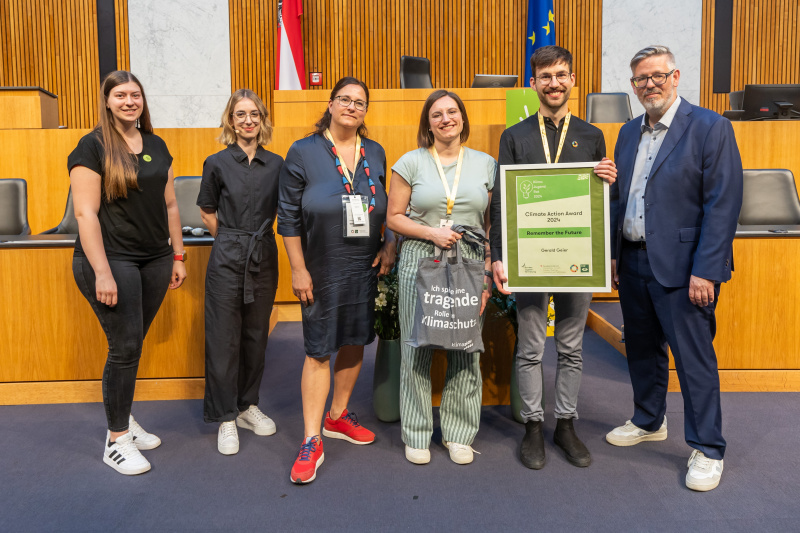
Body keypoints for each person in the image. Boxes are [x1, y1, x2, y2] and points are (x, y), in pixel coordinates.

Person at [606, 45, 743, 492]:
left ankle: (708, 447)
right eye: (641, 79)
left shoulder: (710, 127)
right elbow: (622, 200)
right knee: (642, 349)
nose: (650, 85)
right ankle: (649, 419)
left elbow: (723, 205)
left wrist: (707, 270)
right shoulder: (627, 133)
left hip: (686, 269)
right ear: (633, 85)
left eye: (657, 76)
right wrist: (612, 254)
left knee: (693, 359)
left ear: (676, 76)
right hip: (634, 261)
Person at [490, 46, 617, 470]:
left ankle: (565, 424)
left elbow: (601, 202)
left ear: (572, 79)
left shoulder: (592, 134)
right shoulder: (515, 136)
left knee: (571, 347)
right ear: (534, 83)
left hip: (577, 258)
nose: (554, 83)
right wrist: (498, 256)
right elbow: (501, 205)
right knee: (529, 347)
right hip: (530, 260)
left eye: (561, 75)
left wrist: (609, 182)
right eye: (545, 76)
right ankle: (531, 427)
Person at [278, 77, 395, 484]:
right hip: (321, 267)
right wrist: (298, 268)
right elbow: (288, 217)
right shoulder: (303, 152)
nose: (351, 106)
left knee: (355, 337)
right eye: (344, 99)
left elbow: (392, 205)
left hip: (365, 265)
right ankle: (312, 438)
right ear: (330, 105)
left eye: (359, 102)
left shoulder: (375, 152)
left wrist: (389, 244)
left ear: (366, 110)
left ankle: (337, 415)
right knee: (318, 348)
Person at [69, 70, 187, 475]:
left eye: (135, 94)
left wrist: (178, 256)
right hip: (111, 260)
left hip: (154, 259)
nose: (129, 101)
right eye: (120, 95)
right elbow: (85, 214)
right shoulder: (93, 146)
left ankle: (123, 418)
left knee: (132, 344)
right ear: (107, 101)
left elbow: (171, 205)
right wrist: (102, 272)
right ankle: (116, 439)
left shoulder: (155, 144)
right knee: (124, 347)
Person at [387, 90, 496, 466]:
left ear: (463, 118)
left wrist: (486, 273)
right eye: (437, 114)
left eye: (452, 112)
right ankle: (416, 432)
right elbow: (394, 217)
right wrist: (431, 233)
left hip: (468, 258)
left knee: (465, 349)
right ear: (427, 123)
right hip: (421, 257)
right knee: (416, 346)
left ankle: (459, 433)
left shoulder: (486, 164)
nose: (446, 119)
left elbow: (489, 224)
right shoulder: (410, 162)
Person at [197, 89, 283, 455]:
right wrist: (231, 241)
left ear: (263, 120)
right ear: (230, 121)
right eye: (240, 114)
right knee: (222, 337)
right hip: (227, 255)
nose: (248, 121)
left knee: (255, 335)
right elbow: (206, 211)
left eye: (254, 114)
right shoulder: (216, 163)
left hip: (264, 254)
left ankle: (248, 406)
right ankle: (226, 416)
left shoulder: (277, 163)